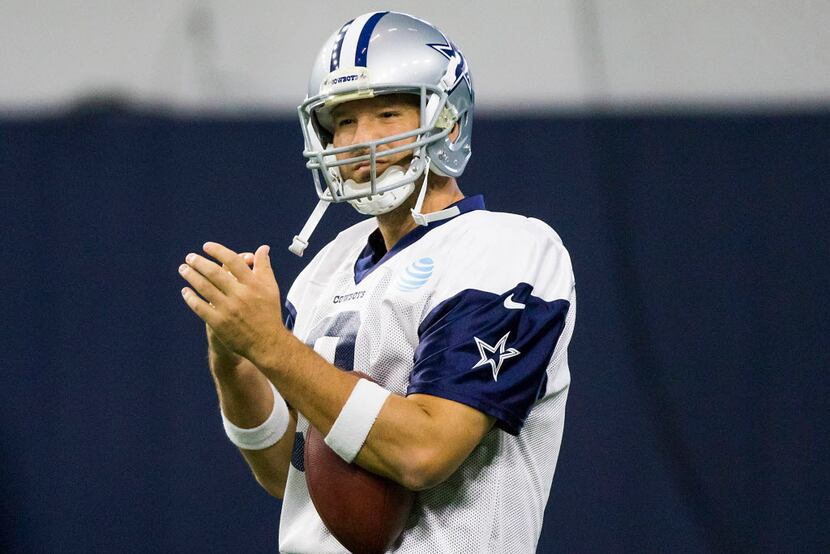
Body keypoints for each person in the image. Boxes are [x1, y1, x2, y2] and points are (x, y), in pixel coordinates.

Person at [178, 11, 576, 553]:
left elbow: (425, 451)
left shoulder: (509, 249)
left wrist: (269, 343)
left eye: (387, 113)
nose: (359, 142)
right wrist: (235, 360)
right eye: (343, 122)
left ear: (449, 121)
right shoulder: (327, 267)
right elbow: (282, 473)